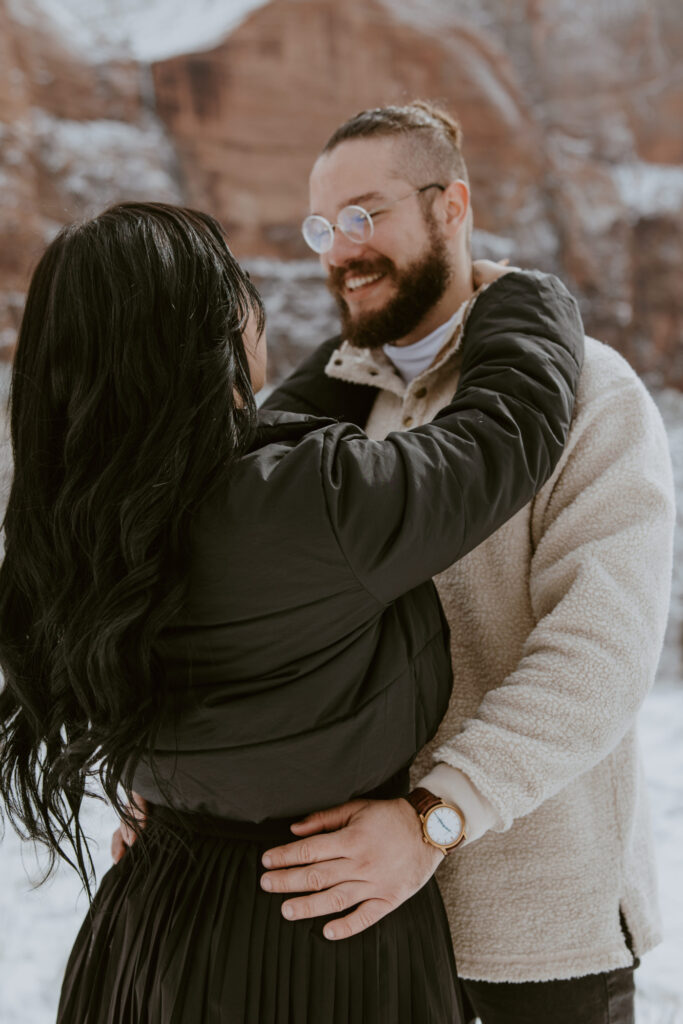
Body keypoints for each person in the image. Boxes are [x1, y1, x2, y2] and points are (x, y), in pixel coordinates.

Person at [0, 201, 583, 1023]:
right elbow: (505, 434)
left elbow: (259, 426)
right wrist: (526, 292)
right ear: (203, 340)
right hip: (319, 933)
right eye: (235, 289)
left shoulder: (74, 514)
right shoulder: (311, 506)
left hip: (150, 918)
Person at [249, 103, 675, 1024]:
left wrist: (434, 818)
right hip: (359, 925)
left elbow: (600, 651)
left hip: (538, 933)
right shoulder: (319, 418)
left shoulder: (593, 395)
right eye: (323, 226)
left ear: (451, 207)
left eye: (367, 215)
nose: (340, 251)